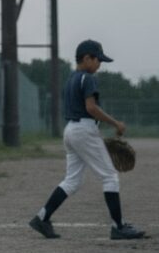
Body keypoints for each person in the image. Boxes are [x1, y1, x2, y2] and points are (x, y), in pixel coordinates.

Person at [29, 40, 145, 240]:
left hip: (71, 131)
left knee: (72, 180)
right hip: (83, 129)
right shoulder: (88, 78)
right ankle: (118, 227)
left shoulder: (71, 79)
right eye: (97, 59)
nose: (99, 64)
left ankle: (42, 217)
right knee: (110, 176)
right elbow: (91, 108)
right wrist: (115, 123)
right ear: (86, 58)